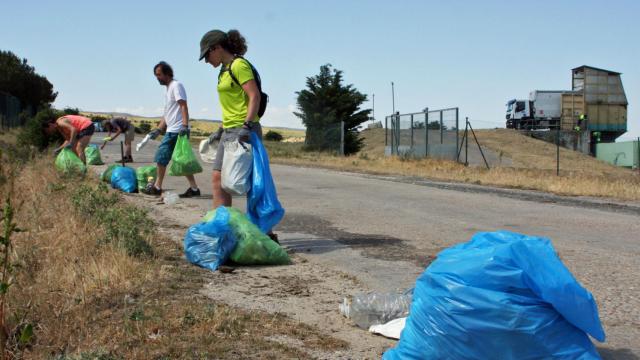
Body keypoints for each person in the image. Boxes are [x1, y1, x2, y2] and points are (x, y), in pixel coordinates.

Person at [199, 29, 278, 242]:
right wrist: (221, 129)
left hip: (244, 131)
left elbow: (254, 96)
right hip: (229, 131)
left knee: (252, 182)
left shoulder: (239, 66)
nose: (206, 61)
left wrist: (247, 125)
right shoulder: (223, 71)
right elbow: (231, 103)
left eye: (207, 55)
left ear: (217, 48)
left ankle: (267, 232)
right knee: (218, 178)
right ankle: (222, 227)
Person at [142, 61, 201, 198]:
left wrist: (185, 126)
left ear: (168, 73)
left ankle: (157, 187)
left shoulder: (176, 85)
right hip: (172, 130)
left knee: (161, 157)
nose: (157, 78)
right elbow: (167, 112)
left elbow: (183, 106)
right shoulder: (167, 89)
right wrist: (158, 129)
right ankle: (194, 189)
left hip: (178, 130)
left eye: (159, 75)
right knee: (181, 160)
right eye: (156, 75)